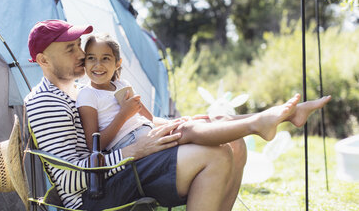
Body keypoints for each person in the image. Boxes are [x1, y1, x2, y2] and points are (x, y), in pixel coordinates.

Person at [24, 20, 329, 211]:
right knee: (216, 156)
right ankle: (263, 121)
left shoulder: (78, 91)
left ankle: (269, 119)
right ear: (43, 60)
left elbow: (130, 123)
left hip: (120, 166)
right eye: (69, 50)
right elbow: (70, 177)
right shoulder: (45, 102)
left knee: (233, 144)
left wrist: (174, 123)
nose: (80, 55)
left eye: (79, 47)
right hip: (97, 192)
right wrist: (134, 151)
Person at [76, 33, 331, 153]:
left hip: (147, 131)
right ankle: (259, 124)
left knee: (204, 119)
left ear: (118, 63)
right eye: (91, 59)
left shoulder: (121, 87)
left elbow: (149, 119)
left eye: (106, 58)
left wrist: (175, 121)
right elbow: (94, 144)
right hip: (132, 146)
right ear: (84, 63)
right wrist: (124, 114)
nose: (98, 65)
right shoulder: (87, 95)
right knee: (190, 131)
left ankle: (286, 115)